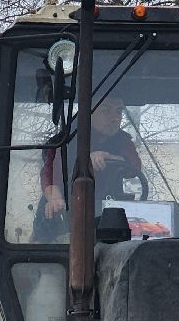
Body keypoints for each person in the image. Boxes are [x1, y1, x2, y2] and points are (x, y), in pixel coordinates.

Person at [39, 96, 141, 226]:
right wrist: (55, 198)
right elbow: (50, 173)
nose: (115, 118)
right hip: (64, 213)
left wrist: (109, 157)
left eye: (118, 111)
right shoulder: (65, 140)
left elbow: (134, 168)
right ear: (89, 114)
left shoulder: (122, 141)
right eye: (106, 111)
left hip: (109, 214)